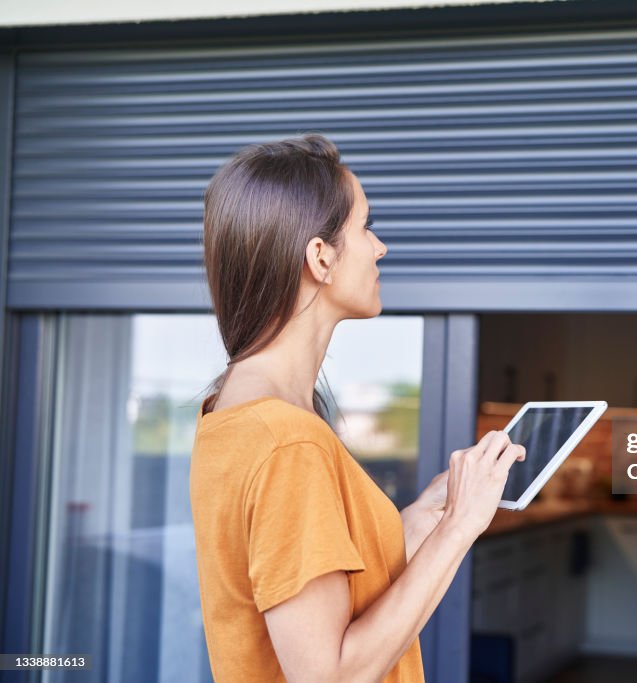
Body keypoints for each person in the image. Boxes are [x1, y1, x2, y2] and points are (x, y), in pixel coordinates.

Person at [190, 133, 526, 682]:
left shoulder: (234, 413)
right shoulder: (287, 443)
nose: (380, 247)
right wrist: (460, 527)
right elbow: (331, 675)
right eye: (365, 227)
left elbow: (323, 587)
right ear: (320, 257)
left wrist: (422, 520)